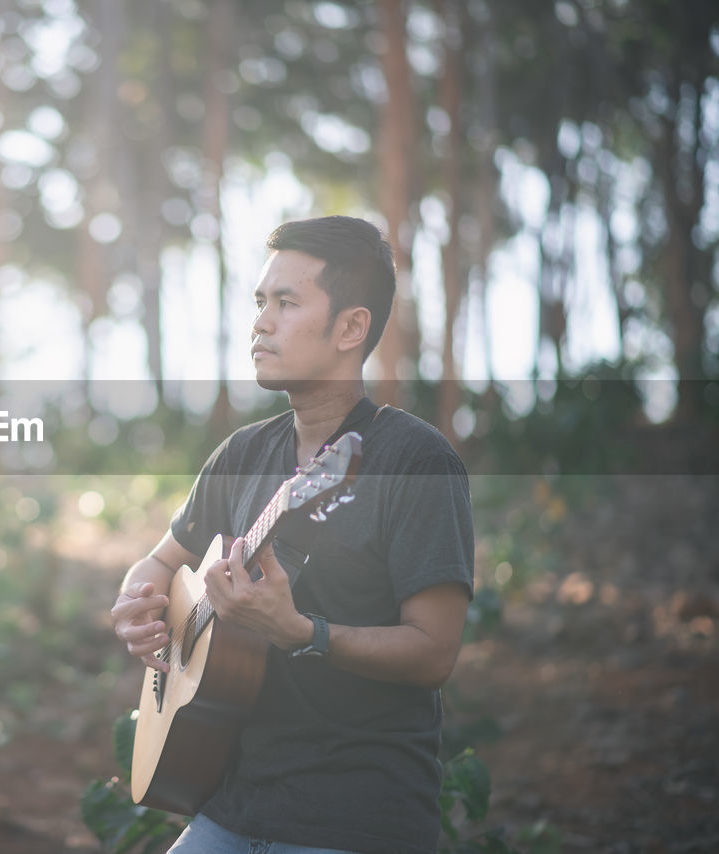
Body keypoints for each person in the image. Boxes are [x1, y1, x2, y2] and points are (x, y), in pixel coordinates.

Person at [111, 216, 474, 854]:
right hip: (229, 800)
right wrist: (138, 604)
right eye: (259, 303)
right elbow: (161, 560)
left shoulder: (414, 460)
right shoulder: (243, 453)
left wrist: (303, 633)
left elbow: (434, 652)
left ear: (351, 328)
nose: (260, 322)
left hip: (355, 818)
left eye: (286, 303)